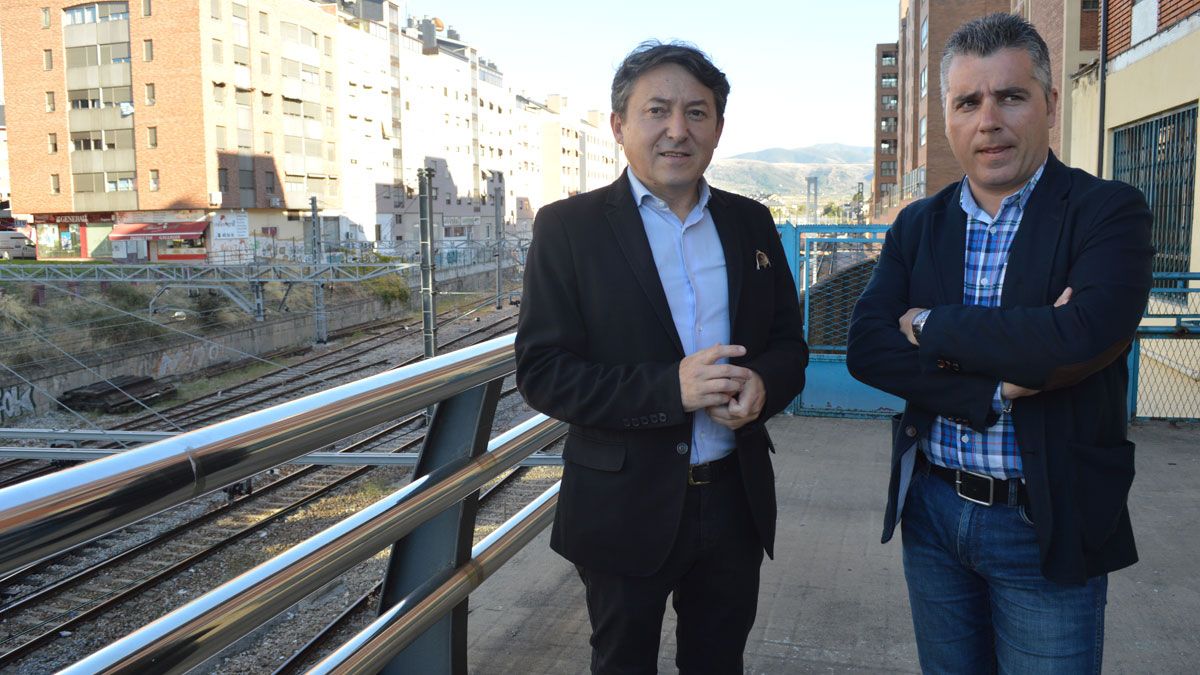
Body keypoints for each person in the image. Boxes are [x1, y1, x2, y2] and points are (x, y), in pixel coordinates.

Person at [847, 13, 1153, 673]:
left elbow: (1081, 336)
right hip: (931, 512)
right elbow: (868, 346)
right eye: (969, 101)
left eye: (1010, 96)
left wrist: (931, 325)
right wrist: (993, 386)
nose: (989, 118)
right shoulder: (917, 225)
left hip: (1044, 519)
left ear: (1048, 104)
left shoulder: (1107, 212)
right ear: (949, 118)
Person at [515, 41, 807, 673]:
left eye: (697, 113)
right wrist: (667, 389)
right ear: (620, 125)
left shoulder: (751, 223)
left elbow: (790, 344)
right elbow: (542, 371)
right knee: (621, 663)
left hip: (734, 499)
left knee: (718, 662)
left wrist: (763, 382)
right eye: (658, 111)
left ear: (719, 127)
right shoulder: (570, 228)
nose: (678, 130)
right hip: (624, 508)